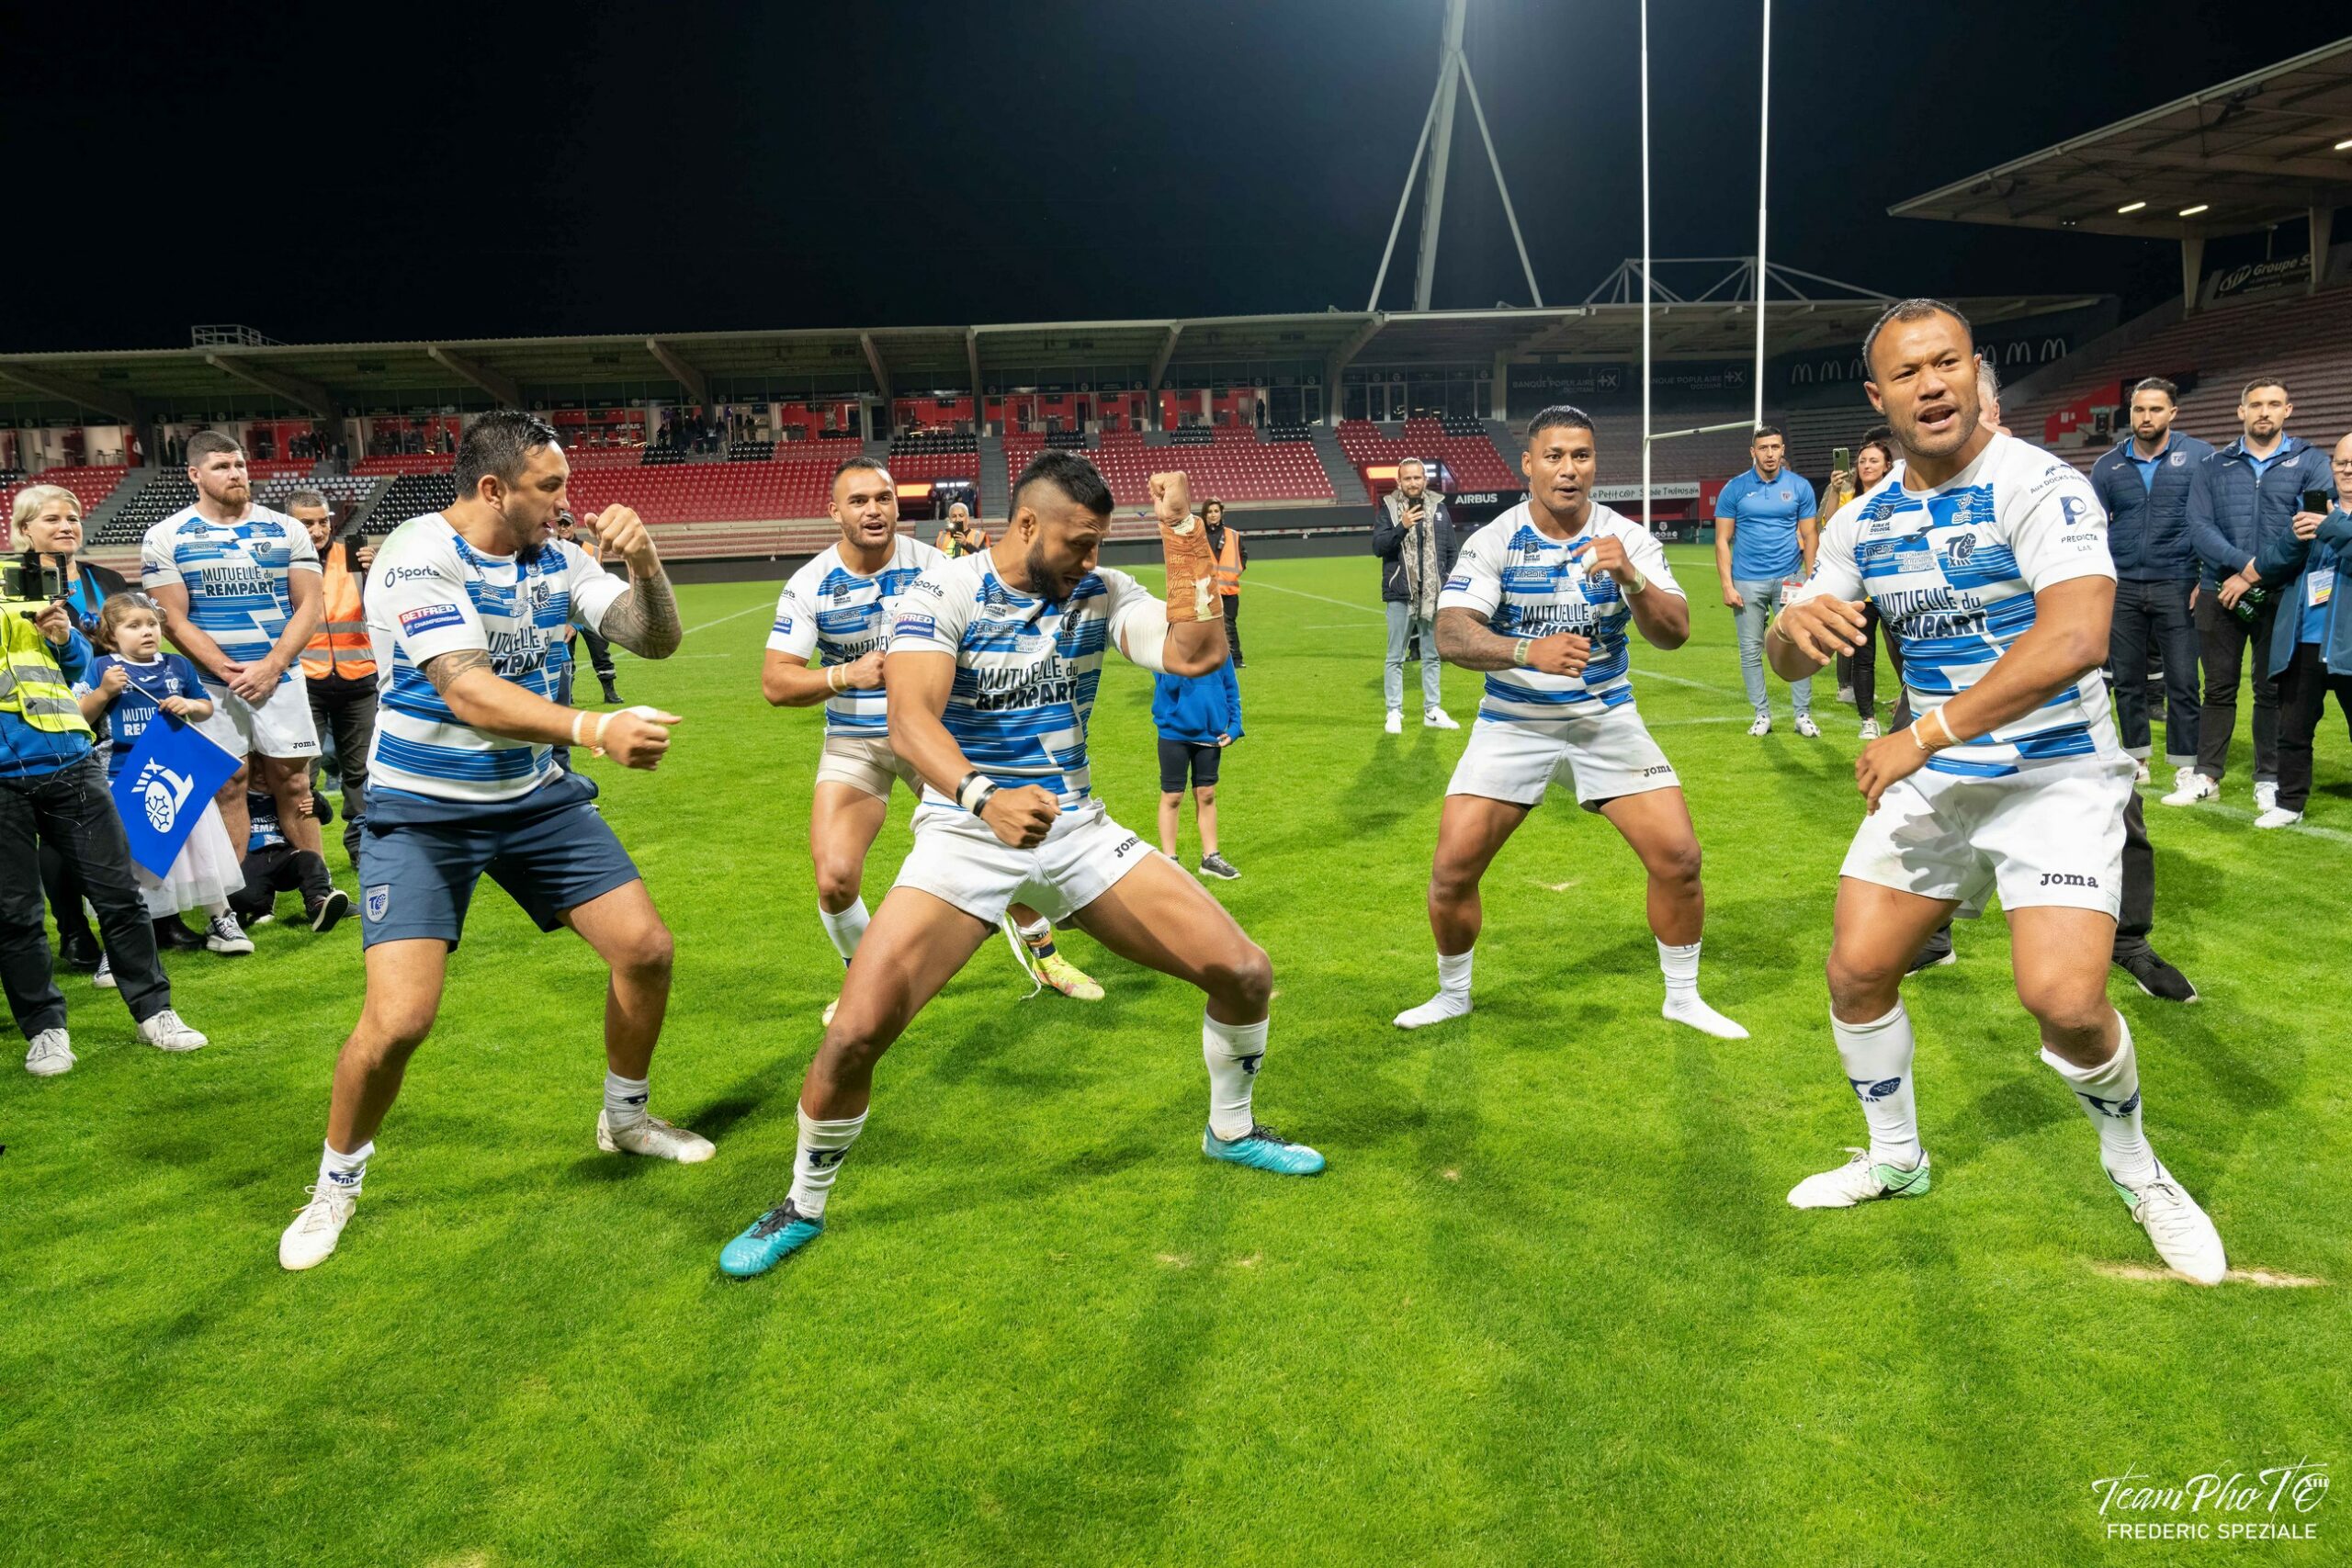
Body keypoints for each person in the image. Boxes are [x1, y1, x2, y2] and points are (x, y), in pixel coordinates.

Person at [718, 457, 1323, 1279]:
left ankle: (1233, 1129)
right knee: (856, 1033)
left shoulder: (1101, 591)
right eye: (1079, 542)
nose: (1090, 558)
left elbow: (1197, 652)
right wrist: (983, 796)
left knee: (1246, 972)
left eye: (1099, 543)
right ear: (1029, 526)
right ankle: (801, 1203)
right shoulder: (943, 591)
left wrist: (1184, 534)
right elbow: (909, 720)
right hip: (964, 831)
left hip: (1075, 829)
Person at [1767, 298, 2223, 1283]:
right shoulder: (1861, 520)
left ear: (1977, 374)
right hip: (1937, 779)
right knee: (1856, 973)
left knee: (2064, 1001)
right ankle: (1896, 1159)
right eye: (1907, 372)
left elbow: (2075, 638)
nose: (1931, 385)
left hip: (2053, 771)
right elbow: (1795, 645)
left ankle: (2135, 1167)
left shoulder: (2040, 484)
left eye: (1948, 364)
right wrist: (1787, 632)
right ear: (1877, 396)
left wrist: (1922, 734)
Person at [277, 412, 707, 1272]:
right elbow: (468, 692)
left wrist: (646, 563)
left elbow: (653, 638)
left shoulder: (557, 556)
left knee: (646, 949)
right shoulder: (418, 554)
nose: (566, 501)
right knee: (399, 1022)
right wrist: (594, 727)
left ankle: (625, 1117)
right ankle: (335, 1182)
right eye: (550, 486)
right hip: (422, 813)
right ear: (492, 489)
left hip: (533, 800)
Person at [1391, 405, 1746, 1041]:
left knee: (1679, 858)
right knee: (1451, 871)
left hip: (1604, 716)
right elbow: (1450, 632)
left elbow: (1675, 633)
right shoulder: (1495, 539)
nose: (1568, 469)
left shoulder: (1627, 538)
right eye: (1554, 456)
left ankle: (1683, 998)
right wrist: (1526, 650)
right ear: (1528, 464)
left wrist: (1632, 579)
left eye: (1580, 456)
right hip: (1512, 720)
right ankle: (1452, 995)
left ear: (1594, 464)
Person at [763, 457, 1104, 1014]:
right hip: (856, 740)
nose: (874, 510)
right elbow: (776, 681)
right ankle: (861, 984)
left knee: (1002, 840)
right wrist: (845, 675)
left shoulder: (938, 566)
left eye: (884, 498)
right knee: (835, 879)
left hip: (935, 734)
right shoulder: (810, 583)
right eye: (858, 501)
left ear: (898, 506)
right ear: (834, 513)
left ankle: (1046, 956)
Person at [1905, 360, 2199, 1001]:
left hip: (2046, 677)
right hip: (1944, 673)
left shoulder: (2042, 478)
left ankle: (2127, 939)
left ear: (1991, 408)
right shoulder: (1911, 486)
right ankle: (1929, 933)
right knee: (1916, 791)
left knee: (2117, 805)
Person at [3, 557, 207, 1077]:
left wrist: (63, 637)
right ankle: (45, 1031)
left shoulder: (24, 582)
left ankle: (155, 1012)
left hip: (70, 759)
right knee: (16, 913)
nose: (66, 525)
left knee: (119, 894)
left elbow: (73, 666)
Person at [141, 432, 329, 896]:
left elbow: (310, 606)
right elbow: (172, 619)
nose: (236, 473)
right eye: (222, 466)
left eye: (240, 464)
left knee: (294, 781)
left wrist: (273, 665)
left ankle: (319, 890)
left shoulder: (286, 529)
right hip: (211, 685)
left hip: (281, 678)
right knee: (228, 784)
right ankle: (235, 900)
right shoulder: (166, 535)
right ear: (195, 474)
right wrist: (227, 671)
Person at [2169, 380, 2332, 811]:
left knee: (2271, 689)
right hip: (2218, 589)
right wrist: (2245, 566)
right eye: (2256, 404)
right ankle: (2207, 775)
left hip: (2282, 592)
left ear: (2288, 410)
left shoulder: (2312, 462)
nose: (2264, 411)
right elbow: (2199, 527)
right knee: (2217, 689)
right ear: (2241, 411)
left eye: (2274, 404)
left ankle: (2269, 777)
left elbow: (2310, 527)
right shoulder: (2213, 464)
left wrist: (2255, 574)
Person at [73, 594, 254, 966]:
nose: (146, 632)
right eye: (134, 626)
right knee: (131, 861)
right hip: (123, 778)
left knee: (200, 849)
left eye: (152, 624)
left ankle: (220, 919)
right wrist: (104, 692)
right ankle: (119, 944)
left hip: (178, 774)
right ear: (112, 633)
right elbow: (79, 716)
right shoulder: (102, 667)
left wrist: (189, 706)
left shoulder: (178, 665)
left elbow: (204, 707)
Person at [14, 484, 127, 969]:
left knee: (110, 826)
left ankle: (151, 920)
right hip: (46, 721)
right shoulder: (13, 581)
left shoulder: (106, 577)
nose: (66, 527)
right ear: (25, 529)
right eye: (52, 519)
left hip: (113, 708)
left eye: (72, 518)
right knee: (59, 834)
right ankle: (74, 931)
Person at [2089, 379, 2209, 788]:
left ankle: (2186, 763)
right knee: (2127, 680)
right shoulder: (2107, 465)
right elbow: (2093, 529)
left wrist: (2205, 577)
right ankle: (2136, 757)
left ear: (2172, 413)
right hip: (2123, 585)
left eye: (2156, 409)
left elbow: (2210, 520)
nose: (2146, 417)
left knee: (2183, 680)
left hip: (2178, 582)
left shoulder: (2200, 458)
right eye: (2139, 409)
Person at [2245, 432, 2349, 828]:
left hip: (2348, 643)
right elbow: (2270, 564)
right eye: (2341, 462)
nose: (2348, 470)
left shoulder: (2328, 517)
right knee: (2292, 730)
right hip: (2303, 639)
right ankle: (2289, 804)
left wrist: (2332, 526)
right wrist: (2294, 538)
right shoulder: (2311, 509)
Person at [291, 488, 377, 882]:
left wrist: (375, 574)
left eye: (322, 521)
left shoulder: (355, 556)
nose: (317, 529)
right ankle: (306, 861)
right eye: (307, 523)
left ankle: (363, 849)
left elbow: (380, 609)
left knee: (361, 774)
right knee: (302, 777)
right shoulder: (281, 562)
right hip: (305, 682)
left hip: (359, 678)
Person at [1715, 425, 1821, 738]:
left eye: (1775, 447)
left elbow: (1810, 535)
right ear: (1753, 452)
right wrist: (1727, 585)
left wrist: (1811, 579)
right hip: (1747, 581)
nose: (1770, 453)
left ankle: (1802, 715)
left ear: (1783, 449)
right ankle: (1761, 714)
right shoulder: (1734, 489)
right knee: (1750, 650)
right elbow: (1722, 540)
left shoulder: (1799, 487)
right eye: (1763, 448)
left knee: (1799, 645)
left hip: (1790, 578)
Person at [1815, 436, 1905, 738]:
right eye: (1862, 461)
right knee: (1863, 657)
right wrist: (1835, 489)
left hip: (1892, 587)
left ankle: (1910, 708)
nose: (1866, 465)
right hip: (1860, 591)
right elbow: (1828, 523)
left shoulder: (1898, 495)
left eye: (1873, 461)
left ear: (1887, 466)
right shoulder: (1849, 497)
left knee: (1908, 652)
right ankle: (1868, 720)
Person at [1372, 457, 1459, 734]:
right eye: (1407, 478)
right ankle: (1393, 712)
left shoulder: (1440, 508)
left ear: (1425, 480)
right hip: (1401, 594)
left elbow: (1451, 551)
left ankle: (1432, 710)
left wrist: (1446, 578)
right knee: (1395, 657)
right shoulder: (1388, 508)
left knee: (1432, 656)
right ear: (1399, 482)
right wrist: (1402, 526)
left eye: (1417, 477)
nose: (1412, 482)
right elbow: (1378, 546)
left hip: (1432, 594)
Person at [1154, 653, 1243, 880]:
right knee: (1172, 796)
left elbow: (1230, 687)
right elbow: (1169, 685)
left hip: (1210, 734)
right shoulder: (1165, 650)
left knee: (1206, 793)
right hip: (1174, 733)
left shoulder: (1219, 649)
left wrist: (1235, 726)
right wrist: (1185, 652)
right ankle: (1170, 861)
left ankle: (1210, 858)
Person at [227, 777, 339, 928]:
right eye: (255, 769)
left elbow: (326, 817)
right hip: (252, 858)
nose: (260, 775)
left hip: (285, 856)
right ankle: (262, 907)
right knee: (241, 896)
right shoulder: (235, 796)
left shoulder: (289, 791)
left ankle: (318, 902)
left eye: (264, 769)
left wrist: (320, 805)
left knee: (311, 859)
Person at [551, 509, 623, 705]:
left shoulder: (591, 549)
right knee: (565, 655)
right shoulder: (550, 550)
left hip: (588, 608)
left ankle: (610, 692)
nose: (563, 528)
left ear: (574, 526)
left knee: (600, 651)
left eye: (567, 524)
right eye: (560, 524)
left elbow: (597, 580)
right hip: (564, 612)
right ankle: (567, 694)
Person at [1203, 498, 1246, 667]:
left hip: (1229, 590)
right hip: (1207, 591)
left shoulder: (1233, 535)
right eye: (1209, 512)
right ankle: (1211, 659)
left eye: (1216, 511)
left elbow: (1243, 555)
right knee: (1207, 626)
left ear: (1221, 513)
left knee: (1229, 625)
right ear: (1204, 514)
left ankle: (1236, 659)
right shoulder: (1198, 536)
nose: (1213, 515)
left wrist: (1235, 573)